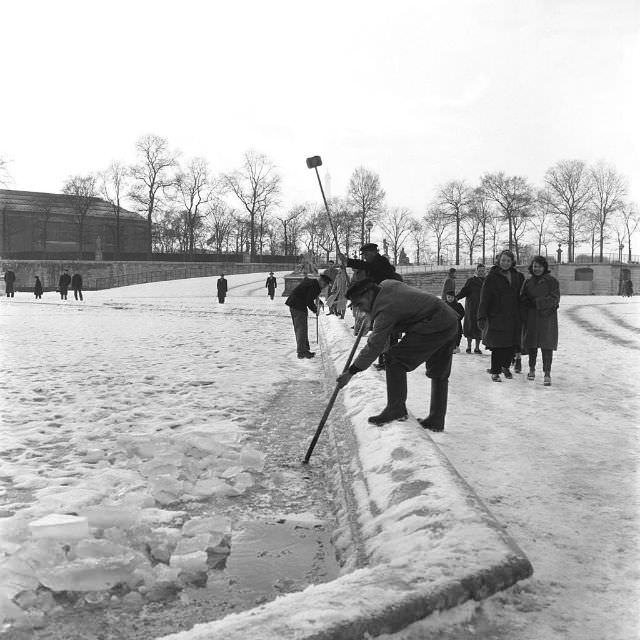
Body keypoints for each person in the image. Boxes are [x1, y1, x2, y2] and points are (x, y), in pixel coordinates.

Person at [336, 278, 459, 431]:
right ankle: (436, 419)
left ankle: (396, 409)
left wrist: (351, 372)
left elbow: (374, 346)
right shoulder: (387, 284)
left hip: (434, 323)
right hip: (449, 318)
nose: (361, 310)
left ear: (369, 295)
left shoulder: (385, 310)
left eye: (360, 304)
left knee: (394, 359)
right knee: (439, 373)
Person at [340, 243, 402, 370]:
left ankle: (388, 362)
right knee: (381, 332)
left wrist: (348, 261)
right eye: (364, 255)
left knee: (385, 333)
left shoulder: (380, 262)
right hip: (380, 301)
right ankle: (384, 361)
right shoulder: (373, 265)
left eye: (366, 254)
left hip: (388, 302)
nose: (365, 257)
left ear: (373, 252)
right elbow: (368, 281)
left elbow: (367, 266)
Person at [477, 250, 525, 382]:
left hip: (513, 315)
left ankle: (505, 366)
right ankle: (495, 371)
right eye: (503, 260)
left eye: (508, 261)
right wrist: (481, 316)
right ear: (499, 261)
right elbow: (484, 298)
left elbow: (523, 295)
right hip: (496, 315)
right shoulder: (492, 277)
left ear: (512, 262)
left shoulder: (517, 276)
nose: (505, 263)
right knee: (498, 346)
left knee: (511, 345)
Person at [520, 256, 560, 387]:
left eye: (539, 266)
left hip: (547, 317)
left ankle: (547, 373)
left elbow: (555, 298)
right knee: (532, 344)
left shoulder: (552, 281)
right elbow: (522, 297)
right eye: (535, 266)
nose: (537, 269)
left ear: (545, 267)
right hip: (531, 317)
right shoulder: (528, 282)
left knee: (546, 345)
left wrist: (537, 303)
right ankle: (531, 368)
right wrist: (526, 302)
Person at [285, 273, 332, 359]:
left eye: (326, 286)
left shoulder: (312, 282)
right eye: (324, 284)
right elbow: (309, 301)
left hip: (295, 304)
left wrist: (318, 302)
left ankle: (304, 349)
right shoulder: (315, 286)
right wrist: (315, 310)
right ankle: (302, 352)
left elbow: (309, 294)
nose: (324, 287)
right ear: (320, 281)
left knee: (301, 328)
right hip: (298, 306)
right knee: (301, 329)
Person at [455, 264, 486, 353]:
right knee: (470, 326)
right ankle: (468, 346)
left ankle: (477, 348)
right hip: (471, 307)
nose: (481, 272)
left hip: (482, 308)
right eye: (479, 271)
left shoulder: (487, 281)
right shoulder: (471, 281)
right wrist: (456, 298)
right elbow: (464, 291)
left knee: (479, 327)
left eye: (482, 271)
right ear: (476, 271)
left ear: (485, 271)